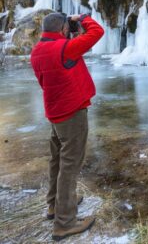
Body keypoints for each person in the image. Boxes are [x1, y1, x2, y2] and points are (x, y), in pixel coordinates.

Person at [30, 12, 104, 241]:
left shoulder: (36, 52)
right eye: (67, 27)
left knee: (57, 161)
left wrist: (70, 29)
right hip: (72, 114)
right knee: (70, 167)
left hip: (55, 113)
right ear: (62, 29)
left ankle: (54, 206)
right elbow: (97, 32)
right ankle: (65, 223)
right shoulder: (65, 49)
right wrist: (81, 18)